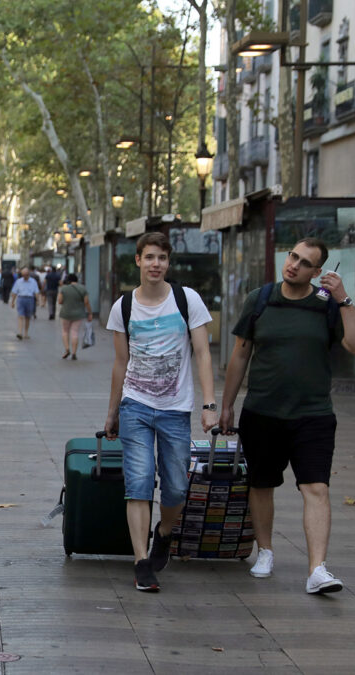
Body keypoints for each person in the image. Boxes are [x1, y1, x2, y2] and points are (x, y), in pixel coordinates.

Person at [220, 237, 355, 594]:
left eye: (304, 263)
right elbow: (240, 354)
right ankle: (265, 551)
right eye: (292, 256)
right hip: (263, 411)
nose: (294, 265)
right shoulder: (260, 299)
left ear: (317, 272)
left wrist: (344, 300)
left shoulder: (327, 306)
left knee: (316, 487)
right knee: (261, 483)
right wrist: (225, 405)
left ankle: (317, 568)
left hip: (313, 414)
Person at [104, 232, 216, 592]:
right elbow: (120, 363)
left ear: (168, 263)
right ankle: (141, 561)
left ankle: (164, 533)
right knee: (138, 483)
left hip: (175, 408)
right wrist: (112, 412)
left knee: (177, 489)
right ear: (137, 260)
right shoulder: (123, 307)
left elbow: (202, 354)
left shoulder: (187, 300)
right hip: (135, 404)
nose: (156, 264)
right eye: (149, 257)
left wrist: (209, 405)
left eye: (162, 258)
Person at [57, 272, 92, 360]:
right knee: (74, 332)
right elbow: (86, 302)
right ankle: (74, 353)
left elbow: (60, 301)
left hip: (65, 313)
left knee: (65, 331)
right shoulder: (82, 289)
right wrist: (90, 313)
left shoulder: (64, 289)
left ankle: (67, 349)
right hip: (78, 314)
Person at [10, 267, 41, 340]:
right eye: (23, 275)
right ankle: (20, 333)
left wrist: (37, 300)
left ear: (28, 274)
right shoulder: (18, 281)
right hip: (21, 298)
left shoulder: (33, 281)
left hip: (30, 299)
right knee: (20, 316)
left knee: (27, 317)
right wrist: (12, 302)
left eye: (26, 275)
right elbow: (14, 292)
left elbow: (36, 292)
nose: (24, 276)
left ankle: (26, 333)